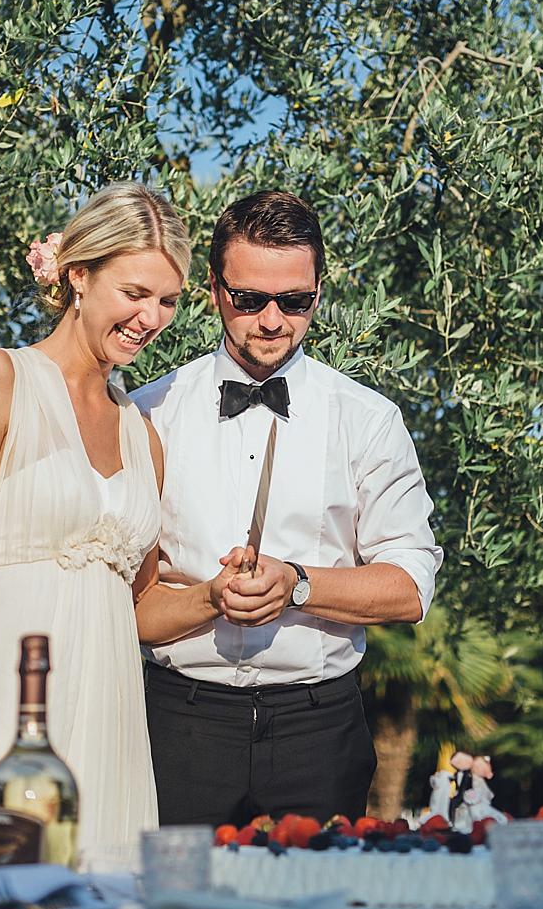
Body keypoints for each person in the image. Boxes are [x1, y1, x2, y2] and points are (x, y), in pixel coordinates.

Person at [0, 182, 192, 871]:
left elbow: (140, 605)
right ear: (79, 276)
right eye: (136, 291)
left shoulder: (144, 436)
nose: (152, 316)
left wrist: (221, 595)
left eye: (168, 300)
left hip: (111, 733)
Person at [127, 189, 443, 825]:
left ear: (318, 294)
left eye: (294, 301)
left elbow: (410, 588)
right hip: (177, 726)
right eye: (249, 299)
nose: (272, 320)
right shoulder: (144, 414)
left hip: (320, 730)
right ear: (215, 290)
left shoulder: (370, 420)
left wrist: (298, 585)